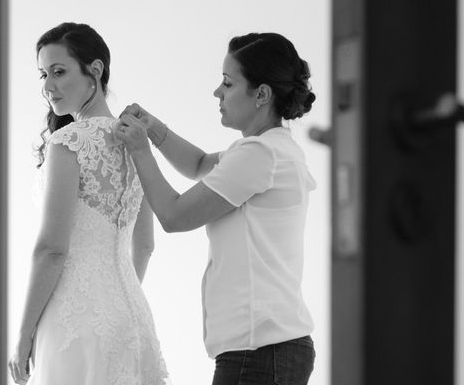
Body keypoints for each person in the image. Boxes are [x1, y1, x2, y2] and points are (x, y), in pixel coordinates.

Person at [115, 32, 317, 385]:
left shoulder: (259, 155)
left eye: (227, 83)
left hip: (260, 350)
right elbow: (199, 164)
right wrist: (155, 130)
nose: (217, 93)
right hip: (270, 347)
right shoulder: (265, 149)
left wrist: (140, 151)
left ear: (262, 94)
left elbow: (174, 216)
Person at [8, 22, 168, 385]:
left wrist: (23, 335)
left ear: (95, 70)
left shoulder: (68, 141)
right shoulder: (135, 140)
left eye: (59, 71)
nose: (48, 86)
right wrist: (114, 297)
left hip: (73, 319)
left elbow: (51, 249)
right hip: (131, 318)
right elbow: (144, 245)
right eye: (43, 75)